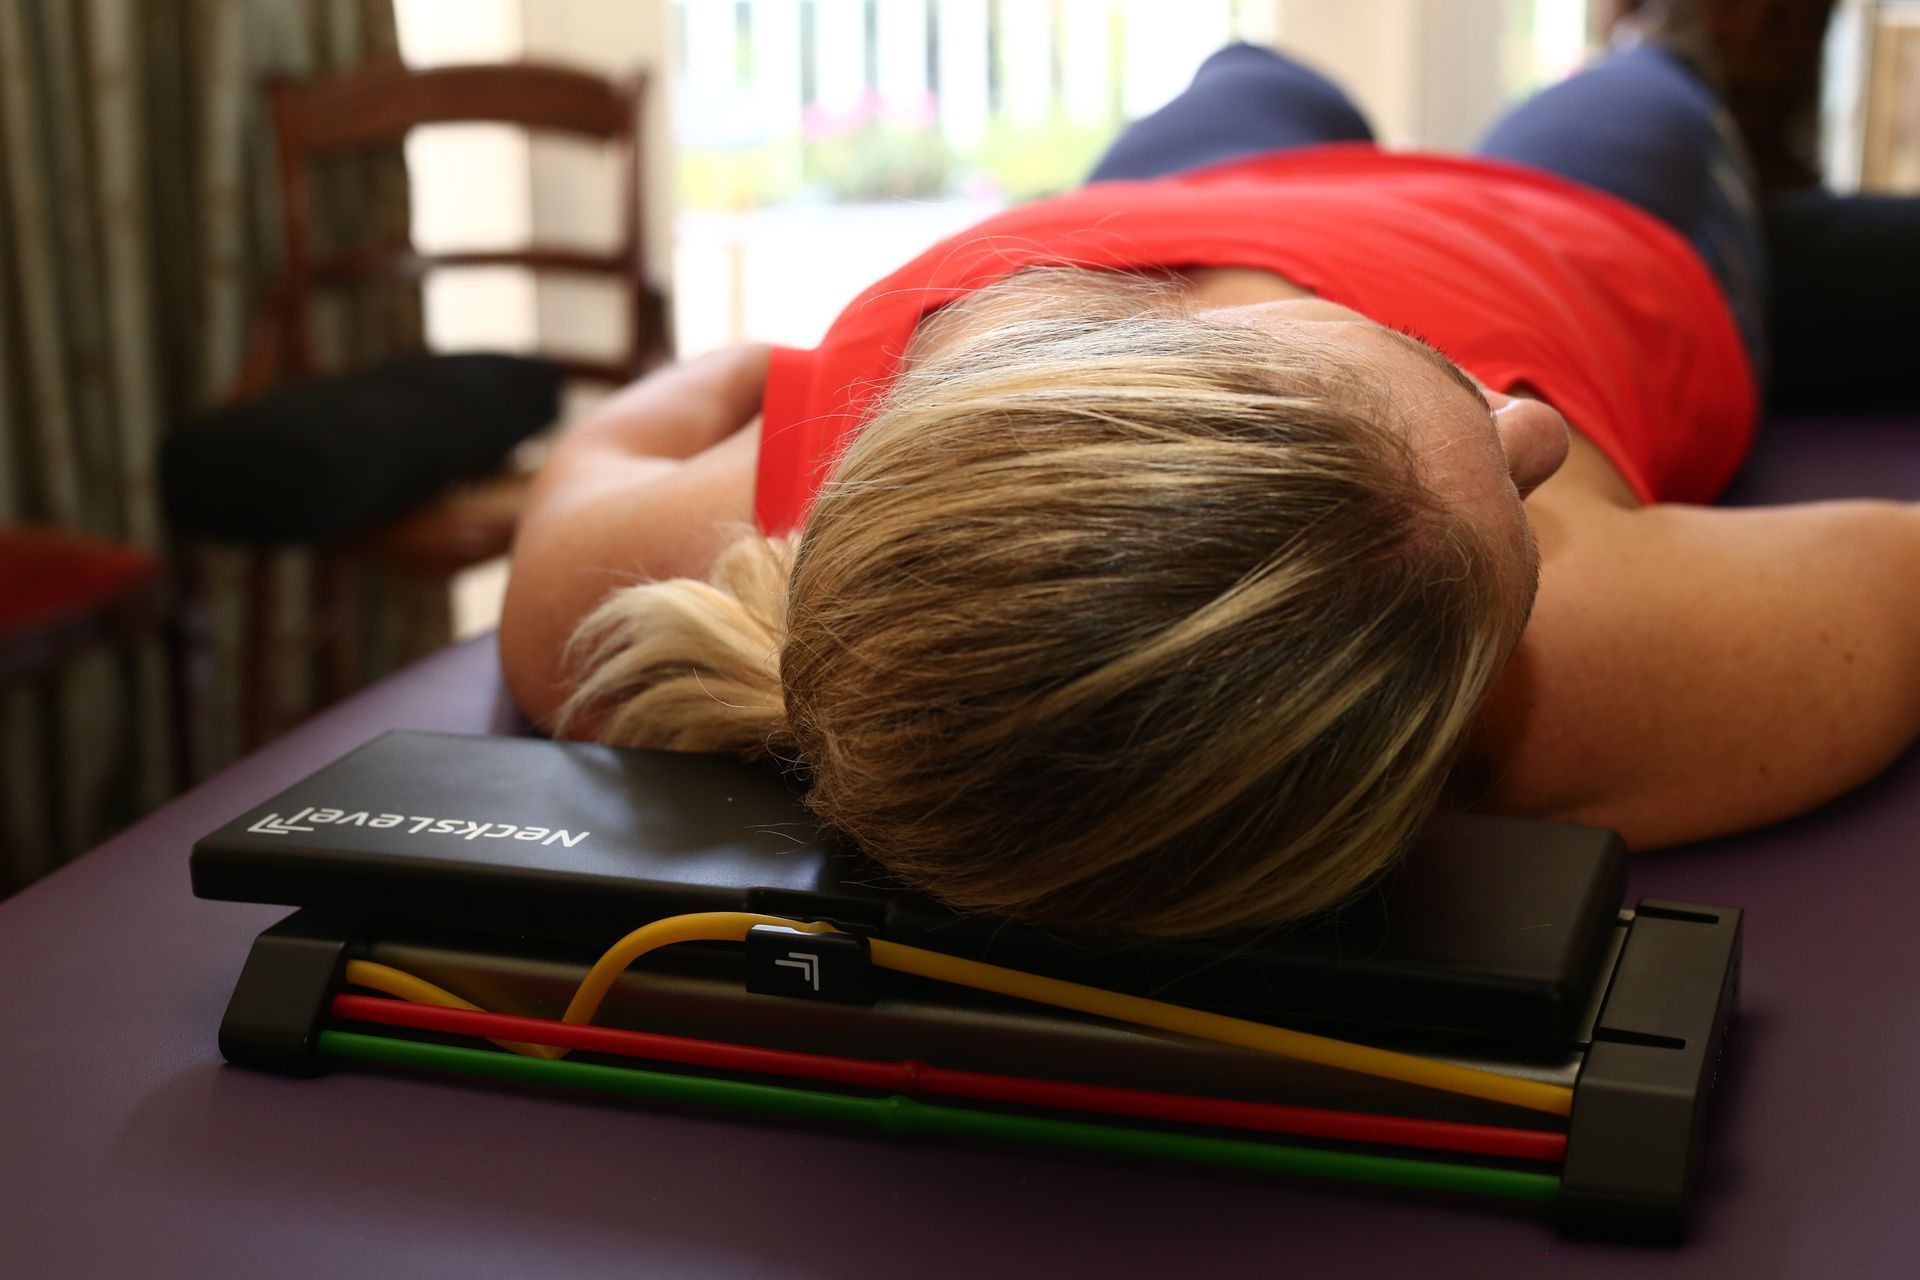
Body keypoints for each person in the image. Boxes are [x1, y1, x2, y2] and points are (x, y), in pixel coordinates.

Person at [500, 24, 1920, 939]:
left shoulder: (639, 582)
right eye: (1526, 533)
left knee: (1254, 69)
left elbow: (601, 448)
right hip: (1566, 236)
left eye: (1422, 371)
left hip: (1155, 201)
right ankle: (1660, 46)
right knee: (1644, 84)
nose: (1532, 436)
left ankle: (1295, 94)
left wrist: (751, 367)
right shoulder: (1585, 675)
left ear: (1114, 346)